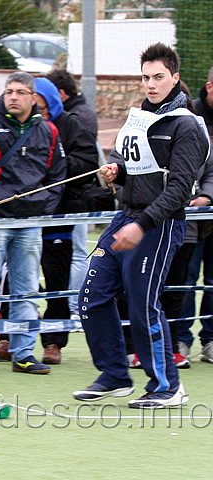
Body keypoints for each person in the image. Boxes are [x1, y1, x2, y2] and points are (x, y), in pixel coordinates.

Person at [73, 43, 210, 409]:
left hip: (159, 225)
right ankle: (115, 375)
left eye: (158, 77)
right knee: (90, 296)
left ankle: (168, 386)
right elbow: (123, 156)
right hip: (126, 216)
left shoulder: (187, 126)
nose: (150, 84)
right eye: (146, 77)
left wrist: (142, 225)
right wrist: (115, 170)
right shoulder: (139, 117)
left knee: (143, 303)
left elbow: (180, 188)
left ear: (175, 77)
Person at [0, 71, 66, 375]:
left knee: (27, 290)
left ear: (33, 98)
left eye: (20, 92)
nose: (14, 97)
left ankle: (23, 352)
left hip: (30, 221)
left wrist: (42, 209)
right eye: (9, 91)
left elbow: (58, 176)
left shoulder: (50, 132)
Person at [34, 77, 99, 365]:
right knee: (10, 283)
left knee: (56, 281)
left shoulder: (72, 125)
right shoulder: (17, 125)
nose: (40, 111)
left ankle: (53, 342)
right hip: (21, 216)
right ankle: (9, 338)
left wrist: (54, 165)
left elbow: (88, 162)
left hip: (59, 215)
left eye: (43, 106)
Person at [45, 69, 100, 321]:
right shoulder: (82, 112)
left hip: (71, 200)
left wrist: (57, 167)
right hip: (60, 202)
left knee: (77, 254)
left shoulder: (75, 119)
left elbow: (87, 159)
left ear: (59, 95)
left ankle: (74, 310)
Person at [178, 66, 213, 364]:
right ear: (209, 87)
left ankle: (211, 340)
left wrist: (209, 194)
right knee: (186, 280)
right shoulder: (194, 117)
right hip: (191, 218)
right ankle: (182, 339)